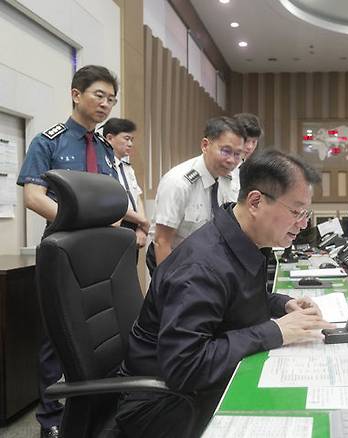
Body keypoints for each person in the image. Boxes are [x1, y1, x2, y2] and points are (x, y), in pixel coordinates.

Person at [116, 149, 334, 437]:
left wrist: (284, 305)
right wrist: (276, 332)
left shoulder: (240, 240)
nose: (304, 224)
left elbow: (233, 299)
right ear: (256, 201)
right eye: (296, 212)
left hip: (196, 388)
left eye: (305, 213)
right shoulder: (201, 267)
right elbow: (185, 367)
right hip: (164, 404)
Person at [16, 65, 120, 438]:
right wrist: (78, 222)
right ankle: (51, 420)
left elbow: (112, 200)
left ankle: (100, 406)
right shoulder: (50, 140)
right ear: (76, 94)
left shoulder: (106, 146)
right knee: (54, 337)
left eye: (111, 98)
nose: (106, 104)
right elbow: (33, 196)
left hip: (100, 254)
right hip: (61, 249)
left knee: (100, 332)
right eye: (99, 95)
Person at [145, 116, 245, 274]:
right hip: (176, 260)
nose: (231, 160)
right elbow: (161, 241)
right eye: (225, 151)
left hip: (210, 261)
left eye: (238, 154)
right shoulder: (178, 183)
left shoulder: (233, 180)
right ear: (205, 145)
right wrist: (167, 285)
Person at [102, 118, 149, 256]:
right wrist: (143, 221)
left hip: (133, 225)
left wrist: (141, 228)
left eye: (132, 140)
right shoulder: (104, 166)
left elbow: (137, 197)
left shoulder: (127, 167)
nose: (130, 144)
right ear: (110, 138)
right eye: (126, 139)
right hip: (117, 225)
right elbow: (114, 203)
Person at [228, 113, 262, 201]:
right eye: (246, 141)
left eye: (254, 142)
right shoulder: (221, 165)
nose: (250, 147)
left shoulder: (249, 168)